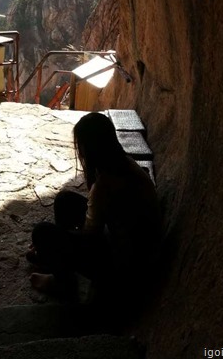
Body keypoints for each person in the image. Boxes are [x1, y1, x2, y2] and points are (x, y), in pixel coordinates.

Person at [27, 112, 162, 306]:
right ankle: (52, 257)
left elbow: (91, 233)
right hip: (138, 246)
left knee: (42, 232)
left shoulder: (105, 186)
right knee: (65, 199)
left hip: (125, 267)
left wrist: (55, 242)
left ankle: (62, 280)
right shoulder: (126, 164)